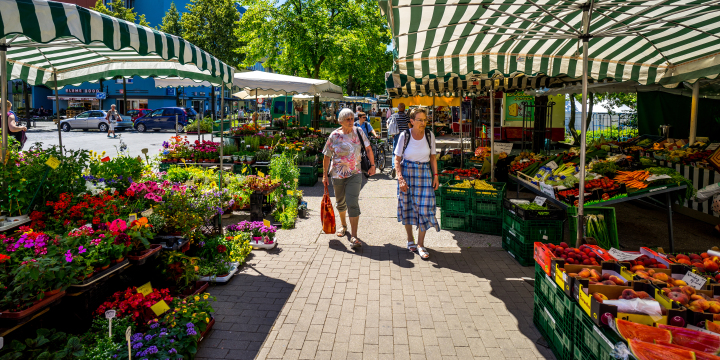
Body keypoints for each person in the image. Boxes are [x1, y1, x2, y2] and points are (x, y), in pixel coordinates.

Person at [323, 108, 376, 248]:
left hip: (355, 173)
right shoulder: (334, 135)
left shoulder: (359, 132)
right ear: (340, 121)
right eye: (348, 119)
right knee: (340, 202)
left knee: (352, 202)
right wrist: (324, 175)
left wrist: (373, 165)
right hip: (337, 174)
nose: (351, 121)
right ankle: (343, 225)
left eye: (352, 118)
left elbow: (369, 148)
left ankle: (354, 236)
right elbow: (327, 155)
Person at [394, 108, 439, 260]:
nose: (423, 123)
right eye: (420, 120)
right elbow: (397, 159)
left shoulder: (429, 135)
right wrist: (400, 178)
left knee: (426, 208)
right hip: (407, 172)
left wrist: (436, 176)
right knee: (407, 207)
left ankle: (420, 244)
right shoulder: (404, 135)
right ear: (412, 121)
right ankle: (410, 240)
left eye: (425, 120)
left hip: (425, 173)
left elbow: (433, 157)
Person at [388, 103, 409, 178]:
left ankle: (394, 166)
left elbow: (388, 123)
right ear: (403, 108)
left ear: (398, 108)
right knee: (404, 150)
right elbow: (409, 126)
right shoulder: (406, 116)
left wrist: (391, 132)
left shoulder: (394, 115)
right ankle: (402, 167)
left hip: (396, 135)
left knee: (395, 151)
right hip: (405, 135)